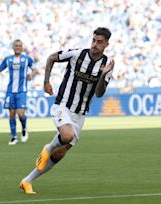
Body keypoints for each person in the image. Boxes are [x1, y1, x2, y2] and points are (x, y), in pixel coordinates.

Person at [19, 27, 115, 194]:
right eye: (93, 40)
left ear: (107, 44)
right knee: (67, 136)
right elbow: (51, 57)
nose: (95, 45)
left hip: (80, 113)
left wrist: (102, 75)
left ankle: (27, 181)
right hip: (62, 105)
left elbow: (99, 93)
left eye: (99, 42)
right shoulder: (77, 54)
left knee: (61, 153)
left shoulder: (107, 65)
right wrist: (46, 81)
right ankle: (48, 148)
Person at [0, 39, 34, 145]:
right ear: (13, 47)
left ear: (22, 47)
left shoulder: (27, 59)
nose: (18, 47)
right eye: (16, 45)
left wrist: (31, 74)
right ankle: (14, 137)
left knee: (21, 113)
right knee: (12, 114)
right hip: (10, 91)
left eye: (20, 45)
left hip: (22, 91)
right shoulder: (8, 59)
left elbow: (35, 69)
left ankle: (24, 127)